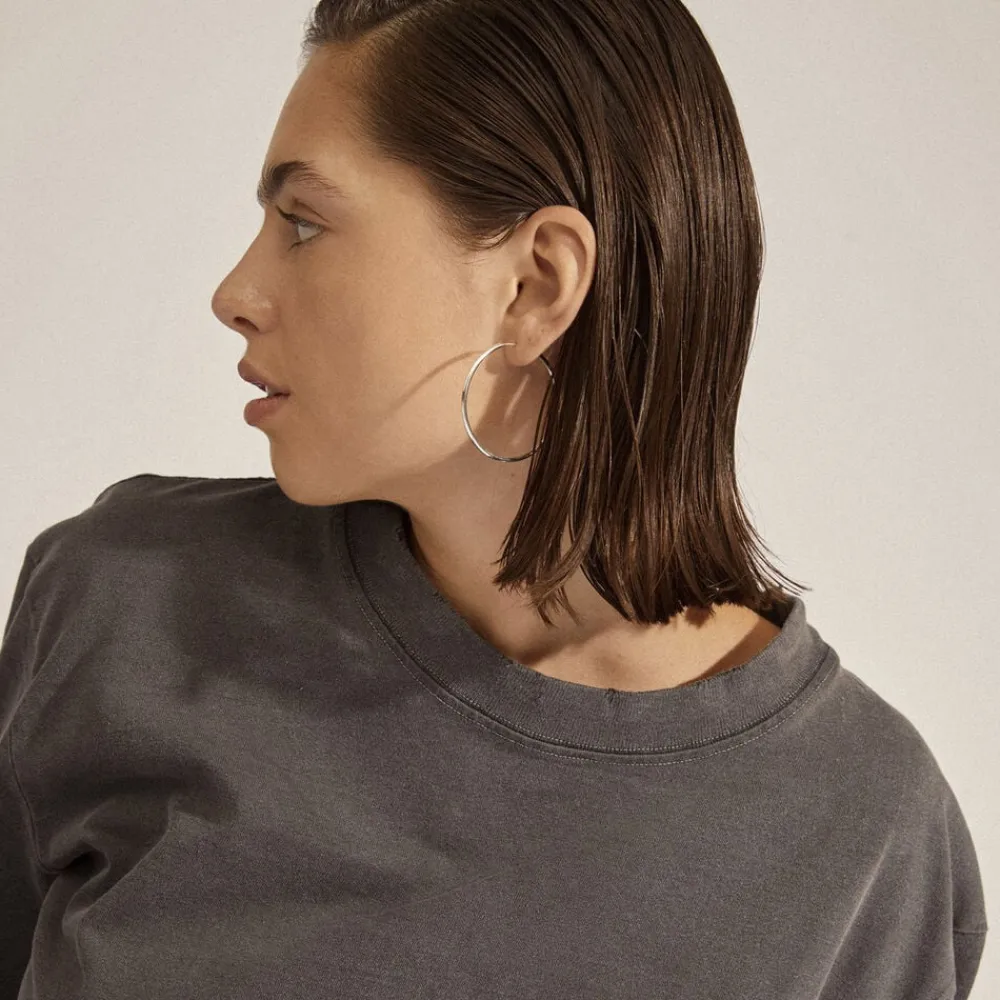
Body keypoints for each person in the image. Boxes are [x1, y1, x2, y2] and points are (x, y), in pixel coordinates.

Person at [1, 1, 987, 997]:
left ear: (535, 285)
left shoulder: (864, 832)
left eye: (303, 223)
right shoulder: (128, 606)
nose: (234, 293)